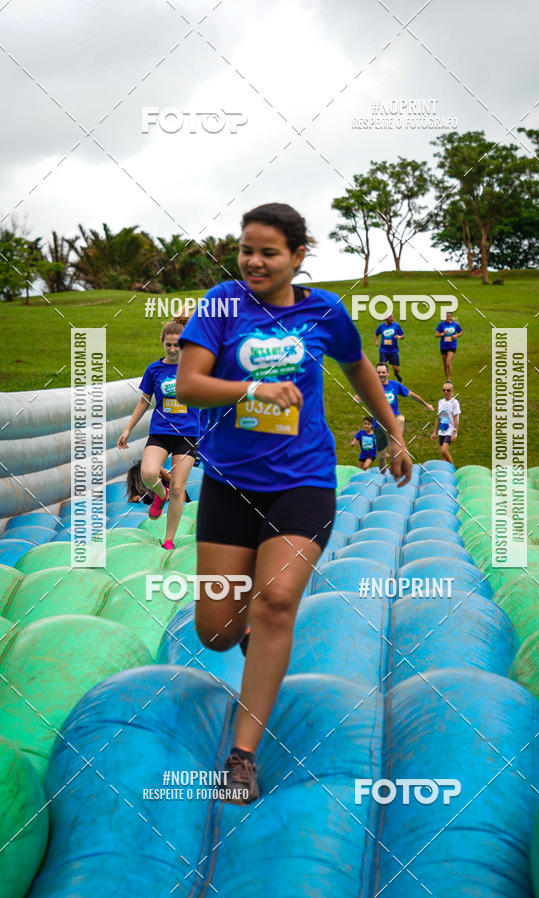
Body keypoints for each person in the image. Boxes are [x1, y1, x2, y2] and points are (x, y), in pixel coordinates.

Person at [176, 202, 412, 804]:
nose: (254, 262)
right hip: (230, 481)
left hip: (303, 480)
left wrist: (393, 432)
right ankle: (254, 644)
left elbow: (359, 368)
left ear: (298, 256)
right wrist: (254, 387)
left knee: (276, 601)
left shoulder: (325, 311)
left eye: (269, 252)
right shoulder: (221, 305)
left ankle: (241, 756)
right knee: (216, 631)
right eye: (246, 250)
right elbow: (189, 385)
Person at [117, 318, 199, 549]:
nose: (172, 349)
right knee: (148, 474)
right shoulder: (154, 370)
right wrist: (128, 428)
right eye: (168, 345)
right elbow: (144, 401)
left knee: (178, 488)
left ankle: (169, 539)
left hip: (187, 435)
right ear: (162, 343)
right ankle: (160, 495)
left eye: (177, 345)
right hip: (161, 432)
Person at [355, 363, 433, 470]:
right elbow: (359, 396)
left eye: (383, 372)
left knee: (400, 422)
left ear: (388, 373)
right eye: (378, 372)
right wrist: (357, 397)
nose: (381, 374)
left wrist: (426, 404)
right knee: (382, 457)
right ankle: (384, 473)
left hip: (393, 420)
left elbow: (412, 395)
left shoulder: (394, 385)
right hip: (378, 424)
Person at [125, 460, 191, 505]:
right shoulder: (141, 491)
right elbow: (131, 504)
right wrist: (132, 500)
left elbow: (183, 504)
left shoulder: (167, 481)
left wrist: (169, 478)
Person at [431, 382, 460, 465]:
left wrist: (454, 432)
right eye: (444, 390)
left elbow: (456, 418)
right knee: (443, 456)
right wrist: (434, 432)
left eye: (448, 390)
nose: (446, 392)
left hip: (450, 431)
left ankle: (453, 468)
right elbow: (438, 418)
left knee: (444, 450)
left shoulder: (454, 402)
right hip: (442, 430)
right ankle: (444, 470)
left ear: (452, 391)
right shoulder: (440, 402)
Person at [375, 314, 404, 380]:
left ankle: (396, 374)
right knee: (383, 366)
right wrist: (376, 341)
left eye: (392, 317)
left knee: (396, 368)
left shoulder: (396, 326)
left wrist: (399, 337)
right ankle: (383, 380)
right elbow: (376, 334)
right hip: (383, 350)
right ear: (386, 318)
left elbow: (403, 335)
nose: (392, 319)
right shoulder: (381, 326)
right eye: (390, 317)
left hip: (393, 350)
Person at [435, 311, 462, 380]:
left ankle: (449, 379)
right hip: (443, 346)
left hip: (452, 345)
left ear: (451, 317)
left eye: (449, 316)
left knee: (448, 363)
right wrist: (442, 334)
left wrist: (456, 336)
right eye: (446, 316)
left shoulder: (455, 324)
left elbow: (460, 332)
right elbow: (436, 335)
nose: (447, 318)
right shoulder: (441, 325)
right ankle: (447, 378)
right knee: (445, 364)